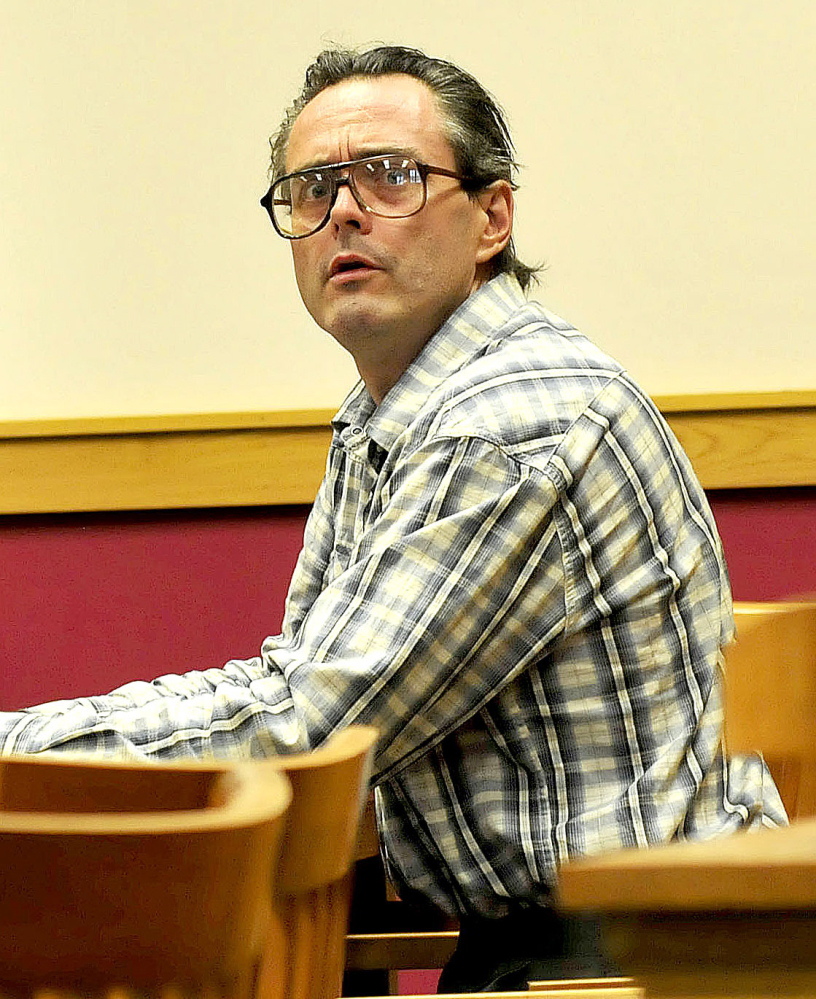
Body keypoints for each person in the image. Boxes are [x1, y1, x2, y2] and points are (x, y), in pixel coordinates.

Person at [1, 45, 785, 992]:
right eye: (311, 189)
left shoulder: (510, 419)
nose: (343, 211)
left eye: (390, 177)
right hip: (537, 946)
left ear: (492, 218)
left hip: (648, 964)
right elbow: (301, 688)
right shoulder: (389, 411)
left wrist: (20, 749)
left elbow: (310, 729)